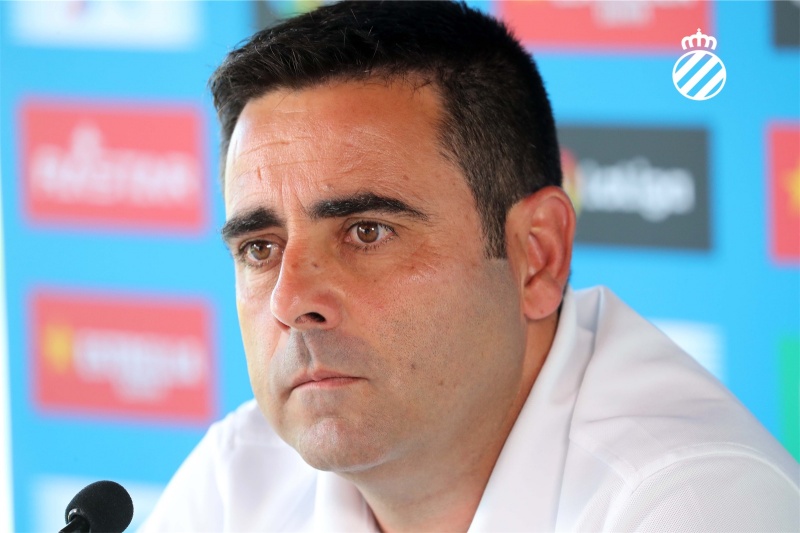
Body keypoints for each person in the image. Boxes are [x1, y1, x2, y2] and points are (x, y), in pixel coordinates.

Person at [141, 2, 799, 531]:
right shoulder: (238, 479)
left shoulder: (691, 505)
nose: (291, 300)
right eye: (260, 248)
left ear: (537, 256)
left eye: (367, 232)